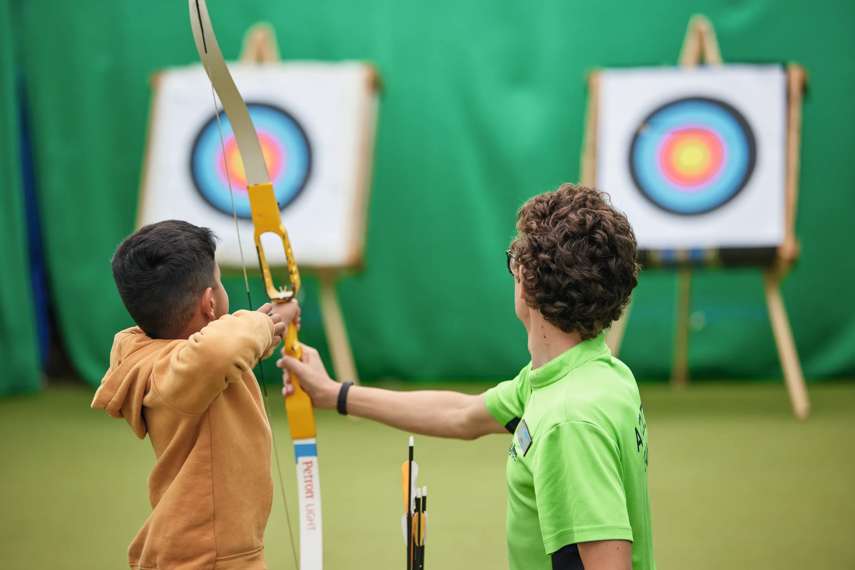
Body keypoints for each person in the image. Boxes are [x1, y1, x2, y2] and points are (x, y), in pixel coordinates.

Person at [278, 183, 655, 570]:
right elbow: (462, 415)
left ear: (526, 282)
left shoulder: (568, 418)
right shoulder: (591, 373)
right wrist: (335, 394)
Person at [91, 220, 299, 570]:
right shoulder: (176, 369)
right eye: (218, 282)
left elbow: (215, 354)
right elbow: (218, 351)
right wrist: (259, 327)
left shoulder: (161, 359)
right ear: (209, 303)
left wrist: (268, 330)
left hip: (201, 550)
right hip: (209, 556)